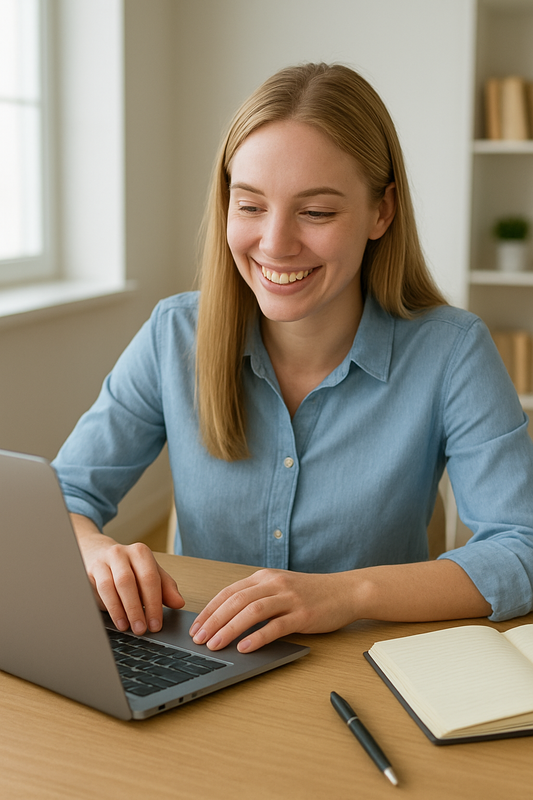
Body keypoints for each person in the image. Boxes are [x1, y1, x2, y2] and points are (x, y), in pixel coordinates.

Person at [53, 63, 533, 655]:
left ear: (382, 212)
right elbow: (59, 499)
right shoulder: (174, 334)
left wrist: (345, 595)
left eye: (317, 212)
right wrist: (98, 553)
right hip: (203, 661)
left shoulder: (452, 351)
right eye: (250, 205)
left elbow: (521, 546)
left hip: (365, 670)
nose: (275, 244)